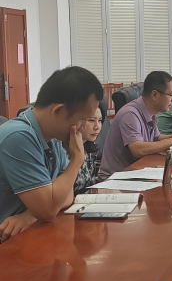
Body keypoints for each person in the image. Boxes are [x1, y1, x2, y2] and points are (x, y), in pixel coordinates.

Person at [0, 66, 103, 242]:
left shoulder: (53, 138)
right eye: (83, 119)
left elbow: (67, 196)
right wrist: (77, 160)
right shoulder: (18, 137)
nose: (82, 127)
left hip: (30, 232)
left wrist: (29, 216)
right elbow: (48, 210)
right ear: (58, 111)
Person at [98, 71, 172, 180]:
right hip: (114, 179)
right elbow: (138, 150)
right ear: (155, 95)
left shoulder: (150, 112)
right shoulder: (130, 114)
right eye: (171, 95)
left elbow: (156, 137)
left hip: (135, 173)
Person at [73, 102, 106, 195]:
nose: (97, 127)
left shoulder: (90, 147)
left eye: (100, 120)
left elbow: (90, 183)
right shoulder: (61, 151)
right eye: (91, 120)